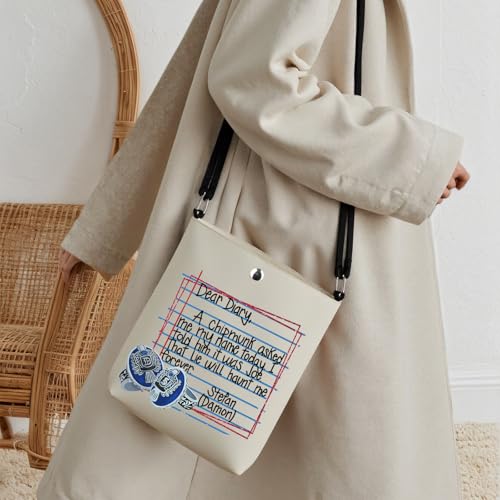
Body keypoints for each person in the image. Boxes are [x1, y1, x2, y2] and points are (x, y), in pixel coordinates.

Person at [38, 0, 471, 499]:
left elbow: (200, 64)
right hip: (296, 228)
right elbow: (252, 79)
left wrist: (107, 225)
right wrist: (413, 158)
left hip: (299, 213)